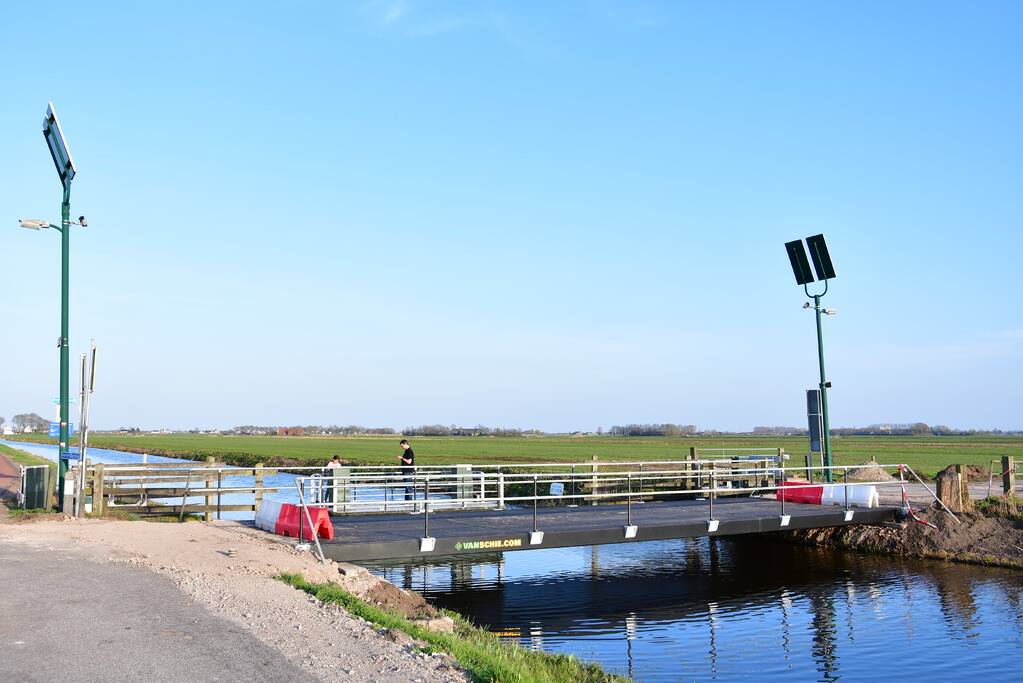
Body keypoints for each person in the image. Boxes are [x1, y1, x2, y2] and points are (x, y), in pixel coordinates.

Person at [399, 439, 416, 507]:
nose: (401, 447)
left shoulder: (409, 451)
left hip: (408, 471)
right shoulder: (406, 451)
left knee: (408, 486)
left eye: (402, 446)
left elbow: (409, 461)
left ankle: (409, 501)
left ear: (405, 444)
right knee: (407, 486)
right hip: (406, 471)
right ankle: (407, 501)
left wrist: (402, 458)